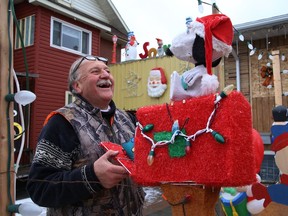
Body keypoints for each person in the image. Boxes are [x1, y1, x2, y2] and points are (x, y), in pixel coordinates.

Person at [27, 56, 145, 215]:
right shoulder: (62, 123)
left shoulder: (127, 118)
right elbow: (39, 188)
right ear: (77, 86)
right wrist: (93, 176)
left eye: (107, 71)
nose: (105, 75)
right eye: (95, 71)